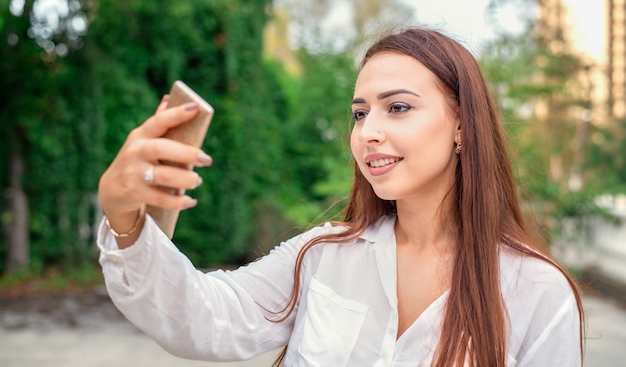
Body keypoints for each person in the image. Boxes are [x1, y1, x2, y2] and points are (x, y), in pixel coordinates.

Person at [98, 27, 585, 366]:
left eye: (397, 107)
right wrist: (125, 215)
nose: (368, 132)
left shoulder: (537, 292)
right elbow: (200, 319)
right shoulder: (321, 256)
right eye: (359, 114)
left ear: (461, 124)